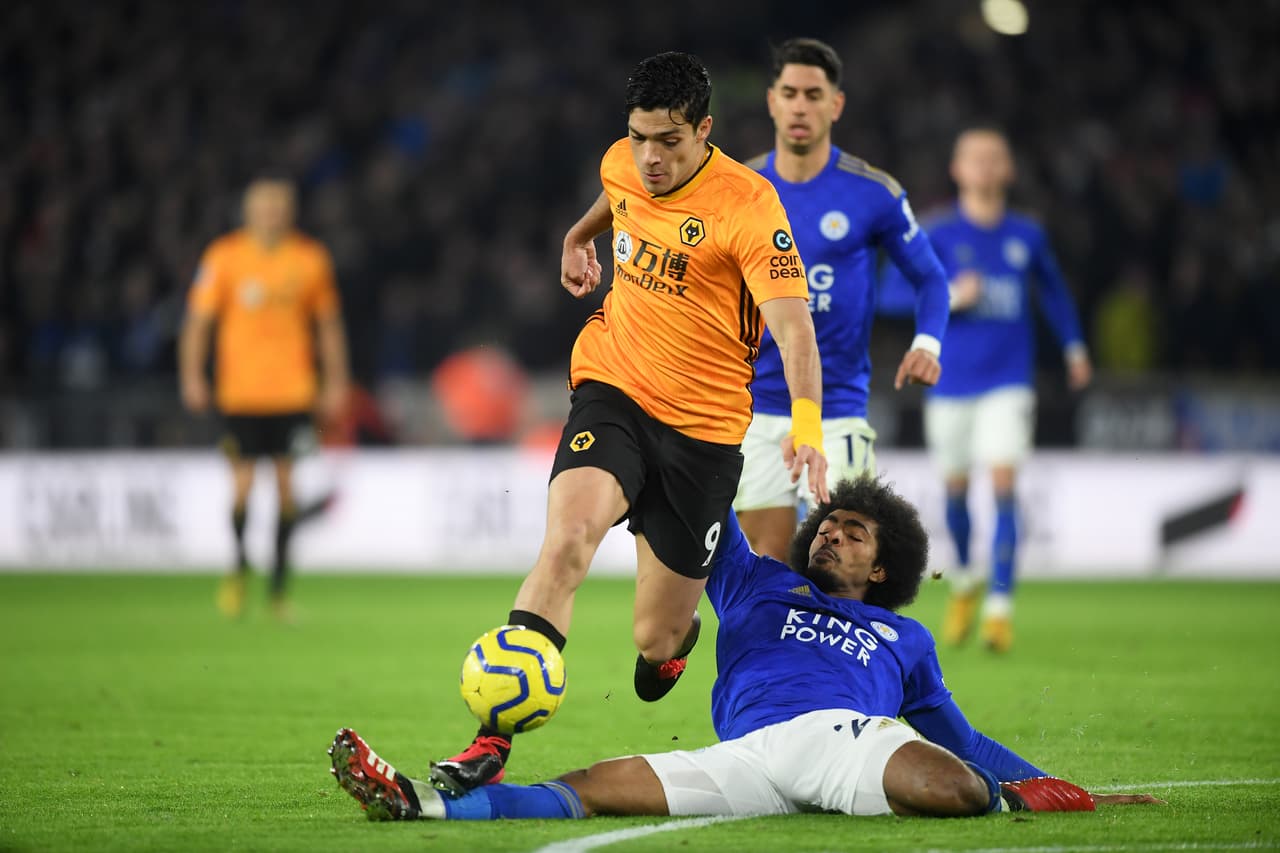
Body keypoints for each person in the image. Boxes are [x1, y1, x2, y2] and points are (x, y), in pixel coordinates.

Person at [429, 51, 829, 796]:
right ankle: (491, 736)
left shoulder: (748, 206)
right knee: (567, 541)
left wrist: (806, 422)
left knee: (657, 637)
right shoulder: (623, 163)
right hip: (613, 388)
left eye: (669, 142)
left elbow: (795, 331)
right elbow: (615, 196)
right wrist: (578, 236)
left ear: (704, 130)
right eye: (640, 137)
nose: (650, 157)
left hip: (703, 434)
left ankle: (675, 644)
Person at [329, 477, 1161, 822]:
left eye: (854, 531)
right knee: (585, 787)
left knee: (950, 781)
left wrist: (1072, 793)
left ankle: (1002, 807)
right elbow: (695, 508)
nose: (831, 532)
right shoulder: (757, 581)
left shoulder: (902, 637)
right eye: (828, 523)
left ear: (885, 564)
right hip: (750, 756)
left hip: (851, 743)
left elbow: (964, 740)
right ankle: (415, 802)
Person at [734, 38, 951, 562]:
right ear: (772, 102)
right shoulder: (739, 189)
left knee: (844, 562)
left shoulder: (873, 192)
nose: (800, 105)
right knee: (766, 563)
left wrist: (928, 343)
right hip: (754, 406)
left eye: (813, 93)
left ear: (836, 105)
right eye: (790, 93)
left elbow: (932, 280)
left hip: (837, 409)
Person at [879, 128, 1092, 653]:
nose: (986, 166)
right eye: (975, 158)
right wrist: (951, 294)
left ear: (1009, 170)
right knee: (955, 493)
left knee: (1003, 486)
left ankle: (1000, 607)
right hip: (949, 382)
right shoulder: (935, 233)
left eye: (995, 157)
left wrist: (1074, 347)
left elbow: (1055, 294)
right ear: (957, 169)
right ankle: (968, 579)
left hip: (1009, 383)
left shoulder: (1028, 236)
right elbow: (886, 295)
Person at [179, 177, 350, 620]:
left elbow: (328, 325)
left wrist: (335, 381)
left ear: (289, 211)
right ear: (249, 211)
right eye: (264, 206)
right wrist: (193, 375)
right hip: (241, 393)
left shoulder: (309, 259)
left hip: (293, 392)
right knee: (242, 487)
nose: (271, 213)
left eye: (279, 206)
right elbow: (199, 321)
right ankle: (237, 570)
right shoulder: (224, 257)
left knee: (287, 489)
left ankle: (277, 591)